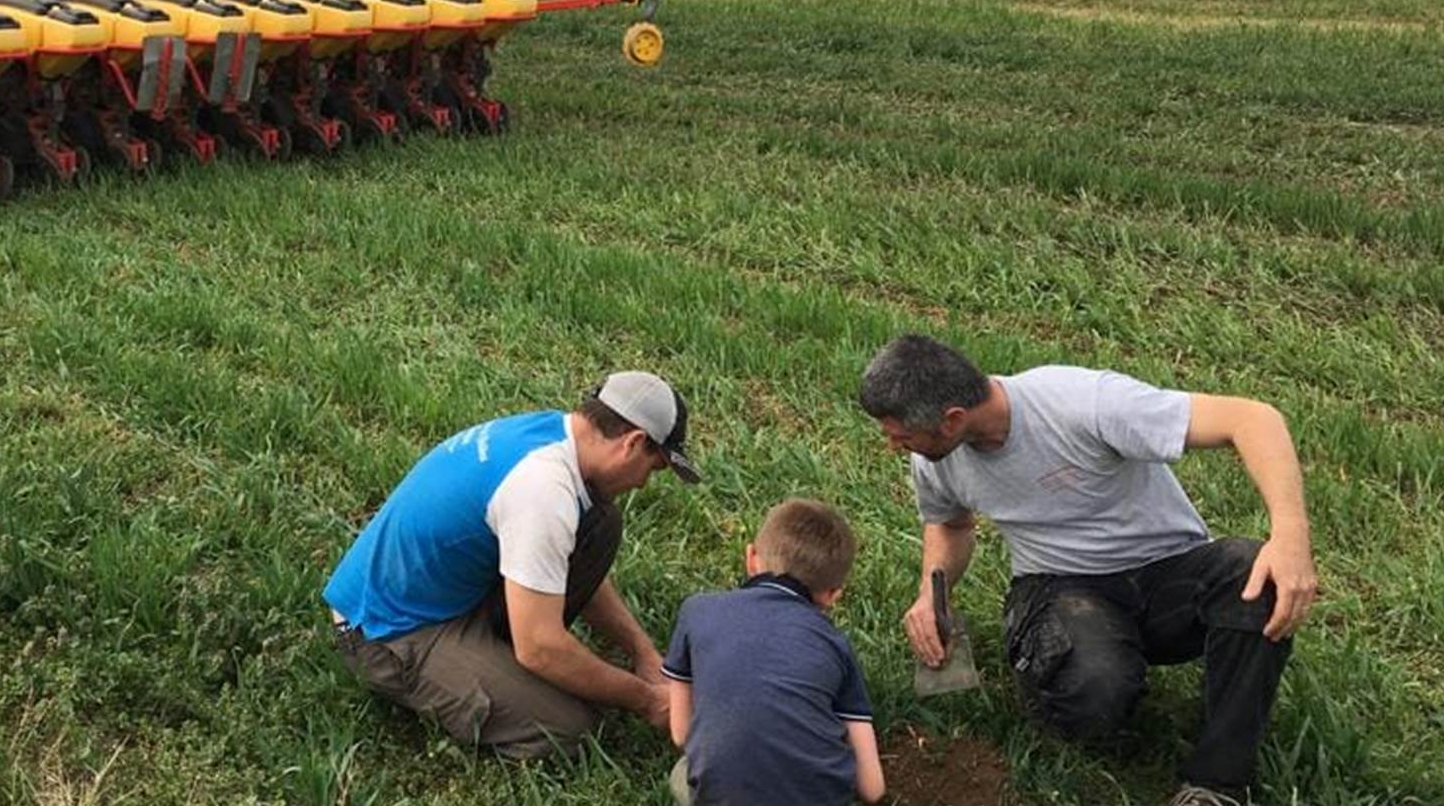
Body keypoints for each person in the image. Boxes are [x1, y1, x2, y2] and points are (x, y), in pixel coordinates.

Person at [859, 334, 1318, 806]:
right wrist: (931, 592)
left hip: (1166, 571)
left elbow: (1252, 419)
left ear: (952, 419)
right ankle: (1096, 667)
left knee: (1252, 575)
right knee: (1094, 695)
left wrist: (1290, 538)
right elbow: (950, 524)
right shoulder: (934, 458)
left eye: (899, 434)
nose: (894, 445)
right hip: (1060, 586)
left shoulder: (1082, 403)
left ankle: (1217, 783)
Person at [323, 371, 701, 760]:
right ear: (633, 442)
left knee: (599, 523)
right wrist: (646, 701)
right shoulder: (542, 489)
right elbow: (539, 648)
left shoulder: (553, 434)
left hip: (440, 592)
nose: (643, 485)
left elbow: (558, 559)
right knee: (568, 728)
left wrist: (642, 651)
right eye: (652, 469)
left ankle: (494, 655)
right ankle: (466, 668)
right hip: (387, 632)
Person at [662, 498, 886, 805]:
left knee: (681, 775)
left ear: (751, 557)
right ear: (833, 594)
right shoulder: (834, 643)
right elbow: (873, 789)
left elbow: (681, 733)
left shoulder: (697, 611)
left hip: (727, 796)